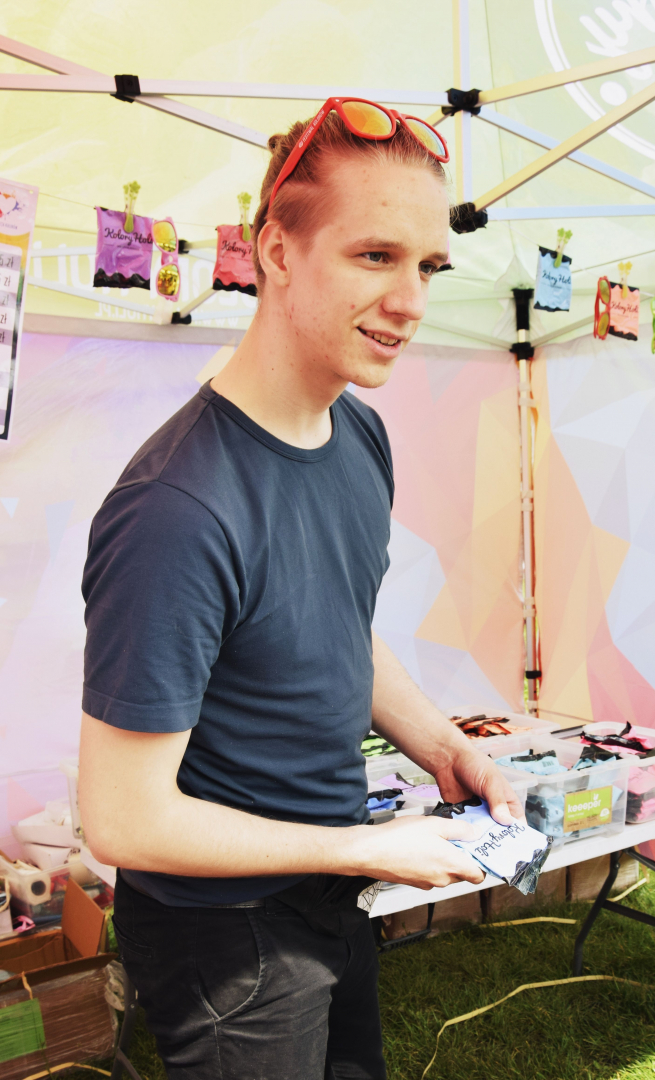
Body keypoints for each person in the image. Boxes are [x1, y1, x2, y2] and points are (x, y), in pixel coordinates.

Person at [79, 98, 524, 1080]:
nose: (412, 300)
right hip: (222, 933)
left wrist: (445, 746)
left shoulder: (358, 433)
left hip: (329, 883)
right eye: (376, 256)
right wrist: (365, 848)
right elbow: (122, 819)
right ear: (275, 251)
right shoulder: (177, 508)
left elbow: (332, 630)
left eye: (429, 266)